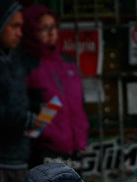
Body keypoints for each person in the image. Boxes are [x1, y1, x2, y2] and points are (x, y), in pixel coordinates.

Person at [21, 4, 89, 171]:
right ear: (31, 30)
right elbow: (22, 105)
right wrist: (40, 133)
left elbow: (79, 103)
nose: (51, 33)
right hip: (44, 149)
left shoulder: (69, 62)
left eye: (53, 27)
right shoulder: (26, 64)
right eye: (43, 28)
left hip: (75, 147)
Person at [0, 0, 37, 182]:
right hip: (0, 161)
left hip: (19, 158)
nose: (19, 32)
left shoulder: (16, 60)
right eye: (14, 26)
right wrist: (22, 119)